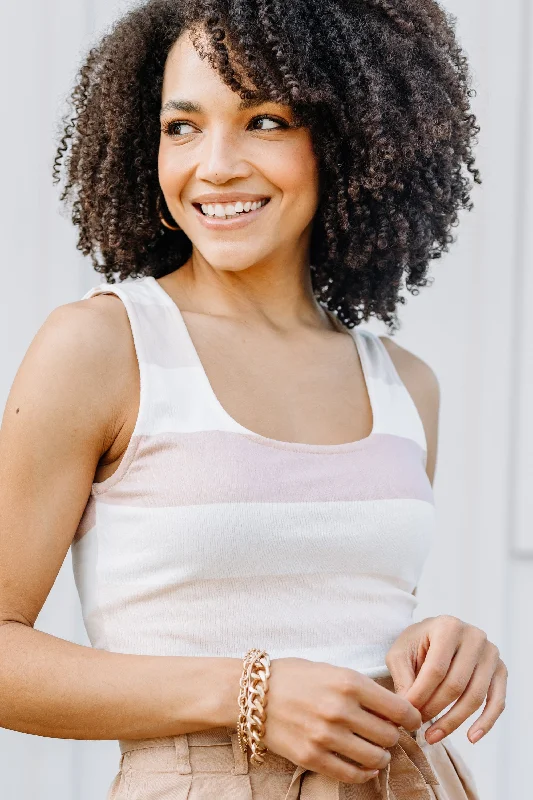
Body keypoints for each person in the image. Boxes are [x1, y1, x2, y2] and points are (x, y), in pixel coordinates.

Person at [0, 1, 507, 798]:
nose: (216, 164)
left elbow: (329, 611)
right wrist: (248, 692)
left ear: (349, 137)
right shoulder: (104, 348)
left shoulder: (404, 386)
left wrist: (433, 647)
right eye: (182, 126)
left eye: (265, 121)